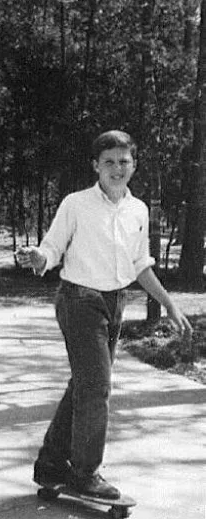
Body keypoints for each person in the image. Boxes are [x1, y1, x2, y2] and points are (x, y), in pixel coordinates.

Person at [16, 130, 193, 499]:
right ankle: (85, 472)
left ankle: (50, 464)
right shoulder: (76, 204)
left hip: (115, 303)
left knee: (84, 385)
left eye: (123, 161)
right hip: (79, 301)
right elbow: (52, 246)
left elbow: (140, 265)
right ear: (95, 165)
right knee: (97, 386)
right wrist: (39, 259)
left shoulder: (138, 210)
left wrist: (171, 304)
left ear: (134, 165)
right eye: (109, 162)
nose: (117, 168)